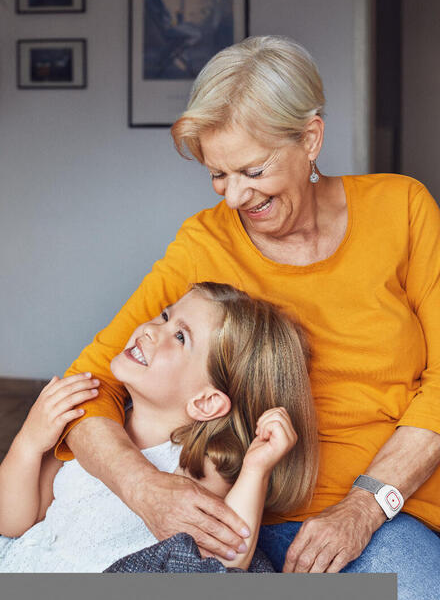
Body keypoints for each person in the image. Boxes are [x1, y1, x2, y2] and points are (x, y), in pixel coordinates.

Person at [53, 36, 439, 596]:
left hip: (382, 512)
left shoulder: (402, 209)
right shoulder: (203, 243)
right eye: (217, 174)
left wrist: (365, 506)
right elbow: (89, 386)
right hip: (238, 514)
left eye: (252, 171)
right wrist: (144, 488)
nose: (234, 197)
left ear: (310, 138)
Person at [0, 283, 318, 572]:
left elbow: (220, 566)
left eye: (180, 336)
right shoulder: (93, 426)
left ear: (206, 402)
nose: (152, 329)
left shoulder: (198, 464)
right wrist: (28, 443)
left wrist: (256, 470)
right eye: (165, 316)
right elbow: (14, 521)